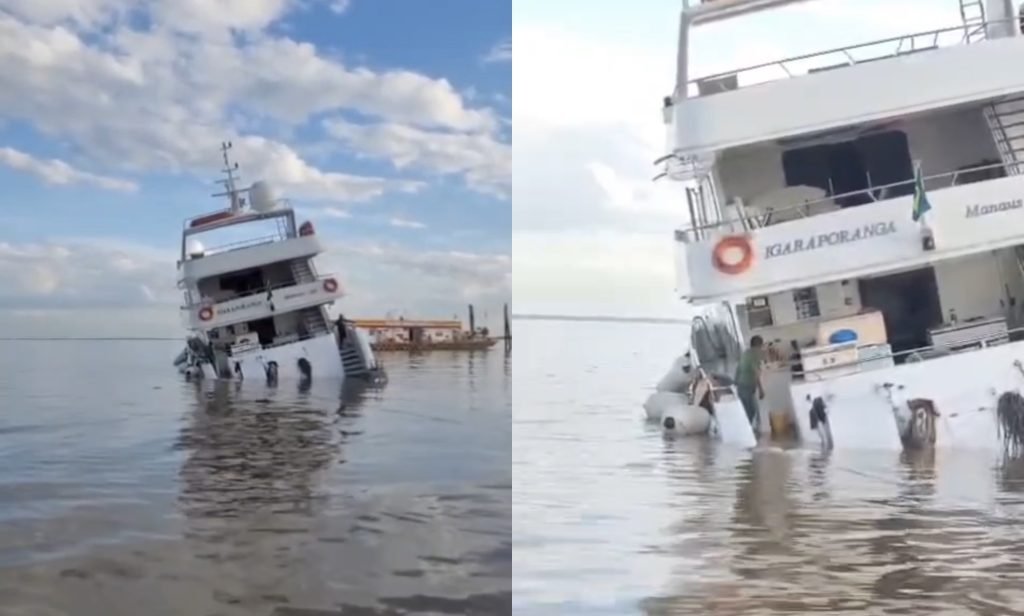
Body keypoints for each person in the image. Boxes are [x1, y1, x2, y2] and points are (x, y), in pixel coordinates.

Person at [735, 335, 765, 429]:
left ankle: (748, 431)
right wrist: (761, 389)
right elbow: (756, 372)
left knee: (747, 410)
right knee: (750, 411)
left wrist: (736, 383)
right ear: (759, 345)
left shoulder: (745, 353)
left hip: (741, 386)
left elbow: (738, 369)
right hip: (746, 386)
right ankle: (748, 433)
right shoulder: (754, 355)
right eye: (761, 346)